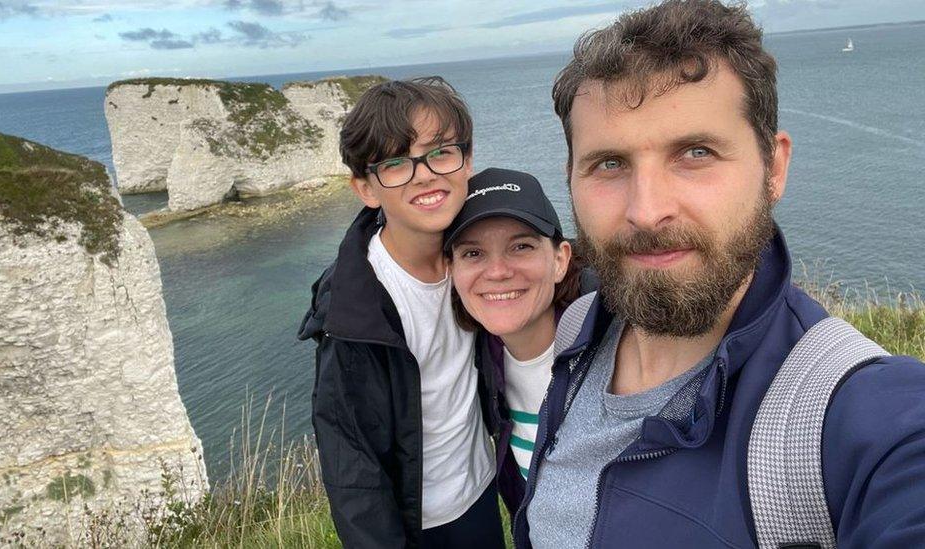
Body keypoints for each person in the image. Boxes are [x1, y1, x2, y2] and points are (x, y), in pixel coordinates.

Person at [510, 1, 925, 548]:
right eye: (609, 163)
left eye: (696, 152)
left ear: (773, 168)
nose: (646, 210)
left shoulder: (854, 420)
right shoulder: (582, 328)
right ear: (572, 178)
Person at [298, 77, 505, 549]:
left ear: (467, 161)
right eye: (395, 163)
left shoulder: (475, 256)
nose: (425, 174)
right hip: (414, 523)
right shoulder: (354, 308)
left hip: (479, 493)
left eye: (441, 152)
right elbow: (352, 463)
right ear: (366, 188)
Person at [443, 167, 587, 516]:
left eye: (520, 246)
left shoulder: (620, 352)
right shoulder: (479, 367)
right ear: (452, 272)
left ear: (559, 260)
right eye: (473, 254)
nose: (497, 272)